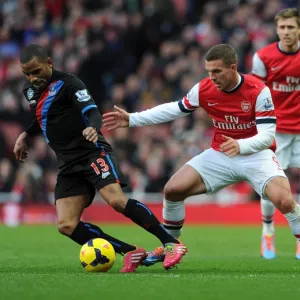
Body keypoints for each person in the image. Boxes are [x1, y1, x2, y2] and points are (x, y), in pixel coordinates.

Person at [103, 43, 300, 266]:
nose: (212, 76)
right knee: (173, 190)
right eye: (209, 71)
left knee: (285, 201)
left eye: (217, 71)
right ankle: (170, 245)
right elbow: (174, 109)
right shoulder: (204, 89)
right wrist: (133, 119)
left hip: (256, 154)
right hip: (221, 154)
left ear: (233, 68)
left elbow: (267, 135)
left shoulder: (258, 90)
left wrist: (241, 145)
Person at [13, 44, 187, 273]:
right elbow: (44, 117)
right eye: (27, 73)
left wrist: (93, 128)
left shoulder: (70, 83)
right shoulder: (30, 91)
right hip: (67, 164)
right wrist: (25, 135)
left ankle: (171, 243)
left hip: (91, 152)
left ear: (49, 63)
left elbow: (92, 111)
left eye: (36, 71)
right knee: (66, 224)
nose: (32, 78)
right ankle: (131, 251)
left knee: (116, 201)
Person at [252, 8, 300, 259]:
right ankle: (268, 231)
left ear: (298, 29)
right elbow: (253, 93)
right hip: (276, 131)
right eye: (282, 27)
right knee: (271, 185)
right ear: (277, 29)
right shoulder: (263, 57)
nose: (286, 32)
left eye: (291, 27)